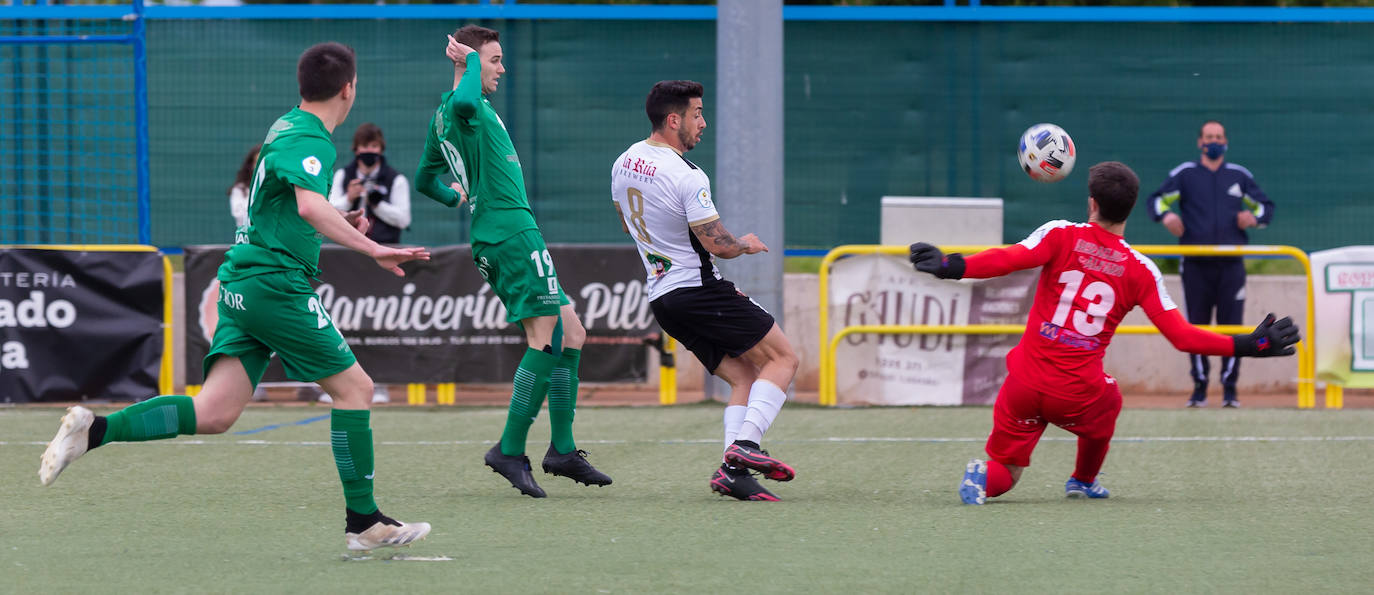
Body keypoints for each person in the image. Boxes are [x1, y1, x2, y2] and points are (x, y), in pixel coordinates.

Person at [39, 42, 434, 551]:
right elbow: (311, 206)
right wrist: (373, 246)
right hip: (274, 285)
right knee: (355, 390)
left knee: (213, 414)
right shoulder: (311, 139)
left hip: (243, 282)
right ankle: (365, 522)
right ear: (348, 88)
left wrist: (341, 221)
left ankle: (94, 432)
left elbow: (296, 208)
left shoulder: (286, 125)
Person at [908, 161, 1299, 505]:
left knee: (1006, 473)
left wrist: (949, 265)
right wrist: (1251, 344)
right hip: (1076, 392)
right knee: (1109, 397)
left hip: (1023, 382)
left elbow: (1008, 259)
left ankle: (980, 479)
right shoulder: (1141, 270)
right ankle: (1083, 480)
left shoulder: (1059, 234)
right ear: (1130, 209)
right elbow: (1182, 337)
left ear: (1092, 203)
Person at [414, 25, 611, 498]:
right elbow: (463, 105)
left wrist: (453, 196)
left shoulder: (447, 115)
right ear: (469, 61)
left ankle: (562, 450)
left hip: (501, 232)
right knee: (543, 339)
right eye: (495, 60)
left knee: (571, 333)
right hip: (511, 233)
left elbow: (425, 178)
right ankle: (508, 449)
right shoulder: (466, 106)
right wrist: (471, 66)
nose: (503, 68)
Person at [610, 80, 800, 501]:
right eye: (697, 114)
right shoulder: (686, 173)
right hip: (698, 289)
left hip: (663, 298)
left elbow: (626, 223)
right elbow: (717, 245)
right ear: (673, 119)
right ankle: (746, 447)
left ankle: (731, 474)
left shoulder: (623, 162)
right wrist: (745, 244)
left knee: (744, 376)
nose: (704, 123)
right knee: (784, 358)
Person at [1147, 121, 1275, 408]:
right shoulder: (1185, 175)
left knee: (1232, 326)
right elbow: (1155, 200)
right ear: (1200, 142)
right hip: (1195, 265)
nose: (1213, 141)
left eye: (1218, 136)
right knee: (1196, 326)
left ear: (1225, 141)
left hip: (1231, 266)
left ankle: (1230, 390)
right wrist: (1167, 217)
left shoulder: (1239, 176)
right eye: (1208, 137)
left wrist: (1253, 218)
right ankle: (1200, 388)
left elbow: (1266, 207)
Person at [327, 122, 411, 405]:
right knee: (342, 318)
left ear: (381, 149)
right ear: (355, 150)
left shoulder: (395, 179)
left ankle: (382, 382)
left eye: (373, 147)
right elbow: (324, 209)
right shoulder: (343, 175)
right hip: (346, 258)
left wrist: (378, 204)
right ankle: (338, 383)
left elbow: (404, 219)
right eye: (364, 148)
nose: (368, 153)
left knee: (382, 321)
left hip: (384, 257)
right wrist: (348, 199)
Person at [228, 144, 271, 403]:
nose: (258, 166)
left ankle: (306, 382)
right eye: (254, 162)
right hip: (247, 265)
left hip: (274, 265)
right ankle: (253, 383)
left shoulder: (282, 188)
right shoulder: (241, 191)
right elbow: (244, 216)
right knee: (249, 329)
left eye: (262, 161)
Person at [229, 144, 261, 229]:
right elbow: (240, 215)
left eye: (262, 162)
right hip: (248, 237)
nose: (259, 166)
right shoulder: (240, 189)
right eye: (256, 162)